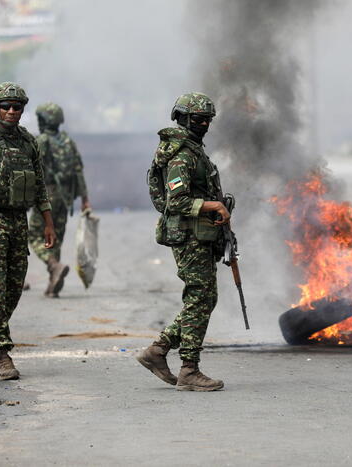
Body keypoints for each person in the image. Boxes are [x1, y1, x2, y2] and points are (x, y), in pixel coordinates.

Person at [0, 82, 56, 380]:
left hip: (19, 222)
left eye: (17, 107)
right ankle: (1, 354)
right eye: (6, 106)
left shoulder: (28, 141)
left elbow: (40, 185)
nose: (12, 111)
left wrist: (48, 222)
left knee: (14, 289)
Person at [137, 92, 230, 391]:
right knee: (199, 297)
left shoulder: (193, 150)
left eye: (207, 120)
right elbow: (175, 202)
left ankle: (158, 350)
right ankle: (189, 369)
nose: (203, 124)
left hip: (200, 234)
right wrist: (213, 206)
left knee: (205, 298)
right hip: (189, 236)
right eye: (198, 119)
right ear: (181, 118)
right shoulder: (180, 154)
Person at [28, 102, 90, 297]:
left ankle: (54, 266)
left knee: (35, 236)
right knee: (55, 238)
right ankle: (53, 283)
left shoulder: (41, 141)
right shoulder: (68, 141)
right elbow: (78, 171)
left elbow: (33, 171)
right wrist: (85, 199)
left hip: (46, 196)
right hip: (66, 197)